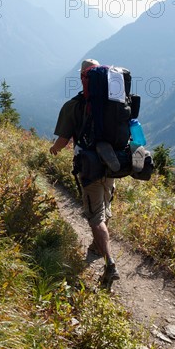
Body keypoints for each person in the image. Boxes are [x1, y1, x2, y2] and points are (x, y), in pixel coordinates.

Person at [49, 59, 120, 289]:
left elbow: (63, 139)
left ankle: (110, 264)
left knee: (95, 217)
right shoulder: (114, 103)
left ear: (83, 77)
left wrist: (54, 149)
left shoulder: (74, 105)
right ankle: (95, 246)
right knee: (104, 207)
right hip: (112, 165)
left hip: (89, 168)